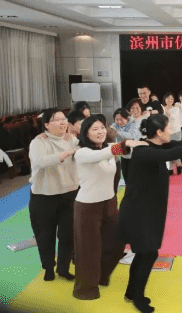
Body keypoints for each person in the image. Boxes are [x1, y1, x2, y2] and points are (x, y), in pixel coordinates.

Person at [119, 115, 182, 312]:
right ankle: (137, 297)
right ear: (159, 132)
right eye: (168, 128)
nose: (171, 131)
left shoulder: (157, 146)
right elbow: (173, 152)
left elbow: (179, 144)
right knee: (148, 253)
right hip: (138, 212)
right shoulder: (143, 151)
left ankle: (131, 292)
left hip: (151, 210)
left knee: (144, 253)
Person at [72, 116, 146, 300]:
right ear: (86, 133)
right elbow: (104, 154)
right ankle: (85, 289)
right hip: (87, 206)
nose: (100, 132)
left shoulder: (108, 148)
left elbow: (121, 155)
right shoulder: (82, 153)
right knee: (89, 250)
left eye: (102, 128)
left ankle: (101, 276)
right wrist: (126, 144)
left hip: (110, 203)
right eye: (95, 129)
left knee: (117, 244)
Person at [28, 108, 79, 281]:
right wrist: (66, 153)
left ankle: (63, 268)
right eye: (57, 119)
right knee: (45, 235)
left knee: (68, 235)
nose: (62, 122)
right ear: (47, 125)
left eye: (64, 118)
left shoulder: (72, 139)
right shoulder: (39, 142)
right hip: (43, 197)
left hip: (70, 194)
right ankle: (48, 267)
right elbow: (41, 161)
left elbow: (86, 151)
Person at [162, 92, 182, 175]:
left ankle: (178, 164)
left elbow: (173, 117)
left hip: (176, 132)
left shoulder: (176, 109)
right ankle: (170, 168)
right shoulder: (162, 109)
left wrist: (168, 113)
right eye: (168, 98)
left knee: (176, 149)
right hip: (167, 132)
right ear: (165, 99)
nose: (170, 100)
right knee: (168, 150)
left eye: (171, 98)